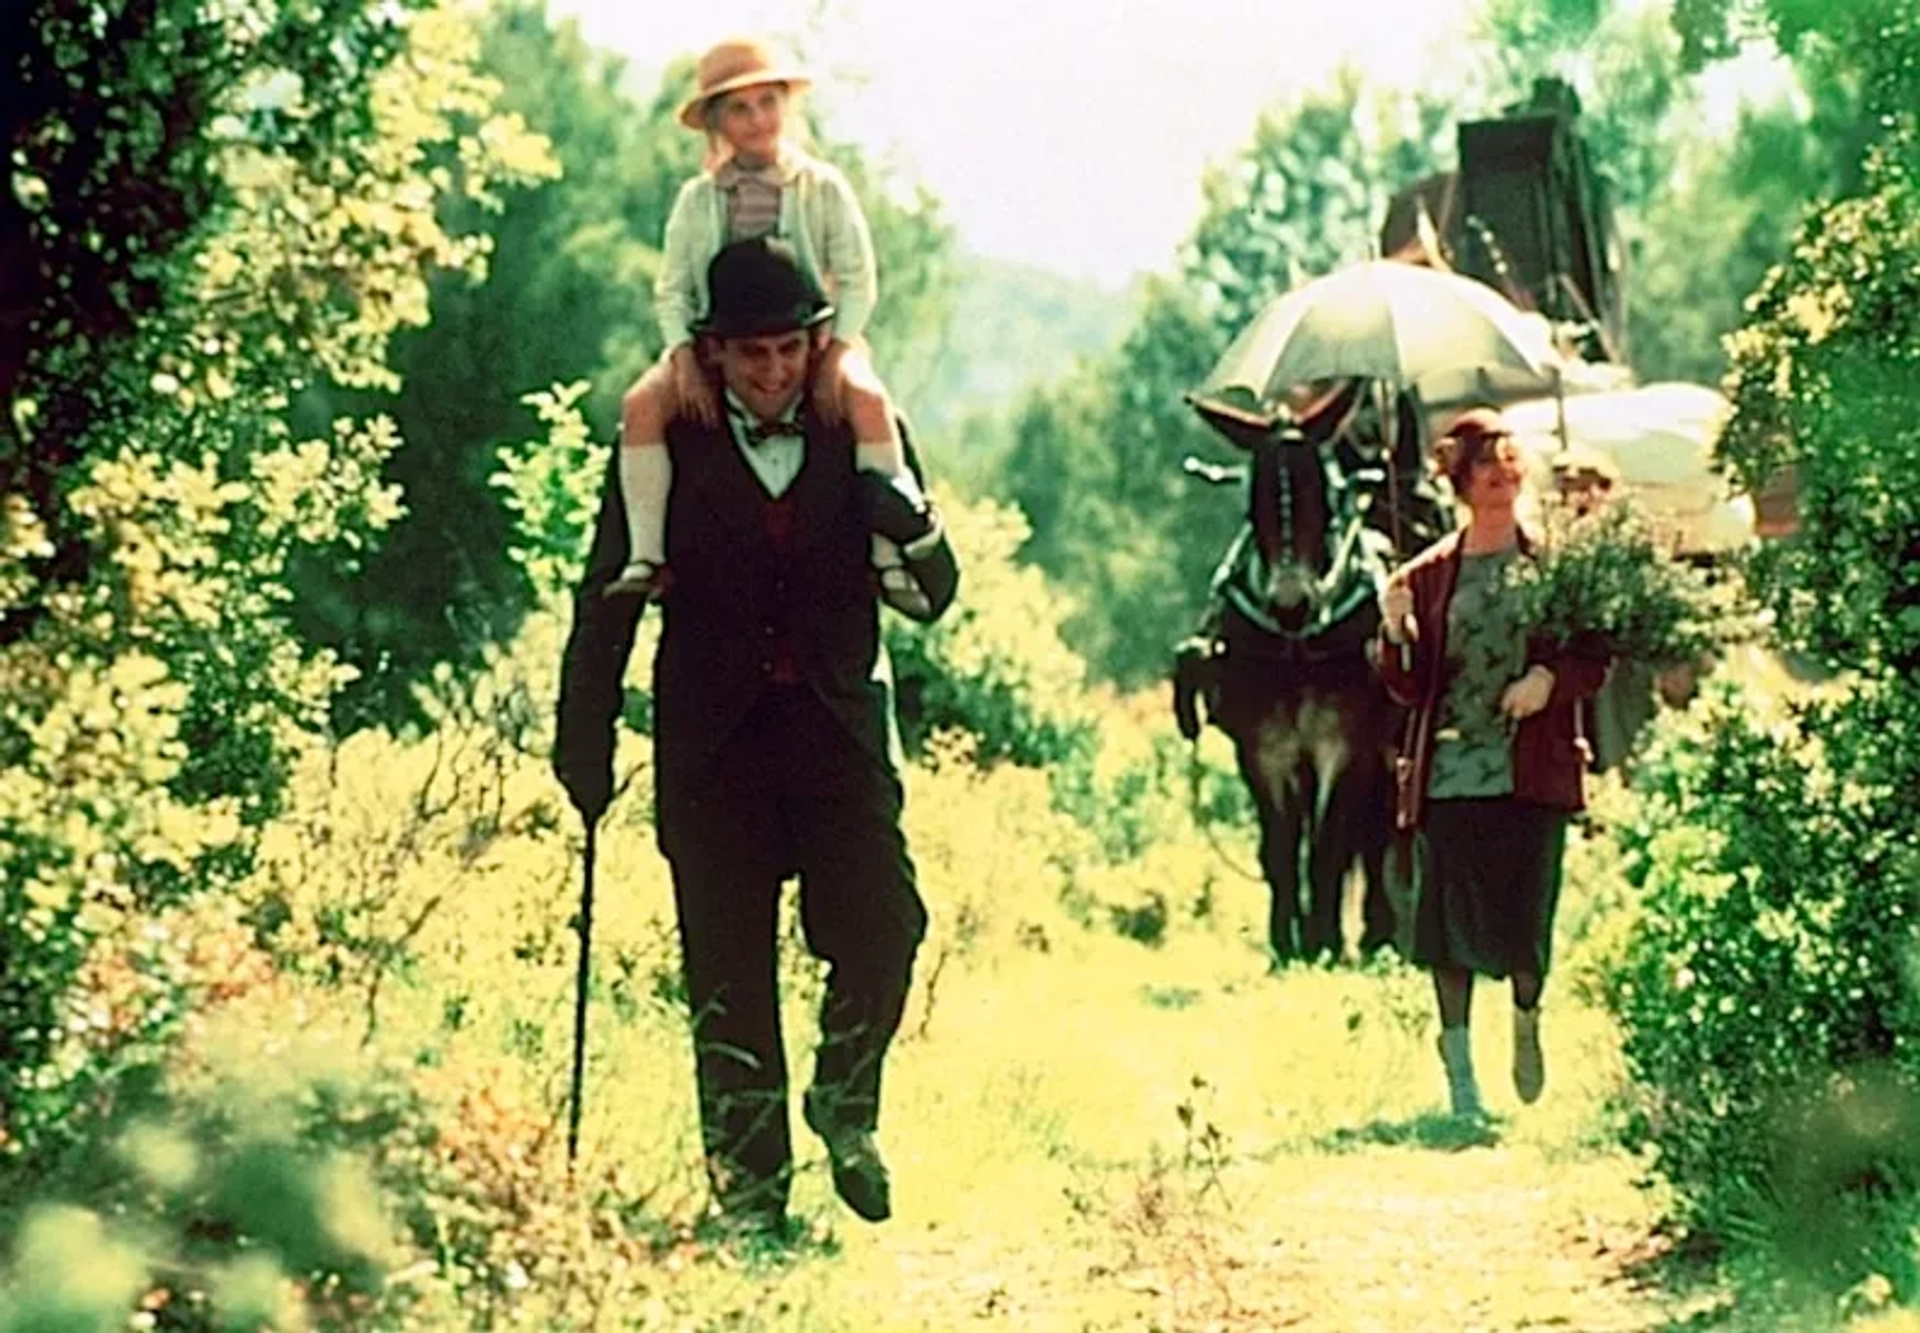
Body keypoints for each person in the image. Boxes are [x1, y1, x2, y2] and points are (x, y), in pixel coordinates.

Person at [552, 236, 960, 1234]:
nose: (771, 373)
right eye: (750, 354)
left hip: (837, 731)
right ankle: (750, 1200)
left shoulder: (862, 428)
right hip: (714, 743)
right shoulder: (665, 447)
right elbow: (608, 593)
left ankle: (846, 1100)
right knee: (726, 974)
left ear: (816, 347)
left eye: (787, 352)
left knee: (886, 928)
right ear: (714, 353)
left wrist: (910, 525)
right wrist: (585, 734)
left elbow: (935, 597)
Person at [610, 35, 915, 602]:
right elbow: (673, 289)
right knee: (641, 405)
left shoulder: (820, 187)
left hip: (813, 340)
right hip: (718, 344)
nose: (757, 120)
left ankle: (888, 558)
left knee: (870, 404)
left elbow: (858, 278)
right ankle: (645, 556)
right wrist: (684, 357)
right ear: (718, 124)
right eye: (739, 109)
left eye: (767, 103)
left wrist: (838, 352)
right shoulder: (698, 200)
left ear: (786, 107)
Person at [1374, 407, 1608, 1119]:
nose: (1502, 482)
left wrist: (1548, 681)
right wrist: (1394, 630)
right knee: (1446, 929)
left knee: (1526, 916)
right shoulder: (1428, 576)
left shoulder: (1551, 564)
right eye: (1487, 470)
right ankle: (1462, 1081)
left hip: (1531, 770)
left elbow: (1593, 655)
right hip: (1450, 772)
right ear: (1460, 481)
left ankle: (1527, 1020)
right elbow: (1406, 686)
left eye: (1510, 468)